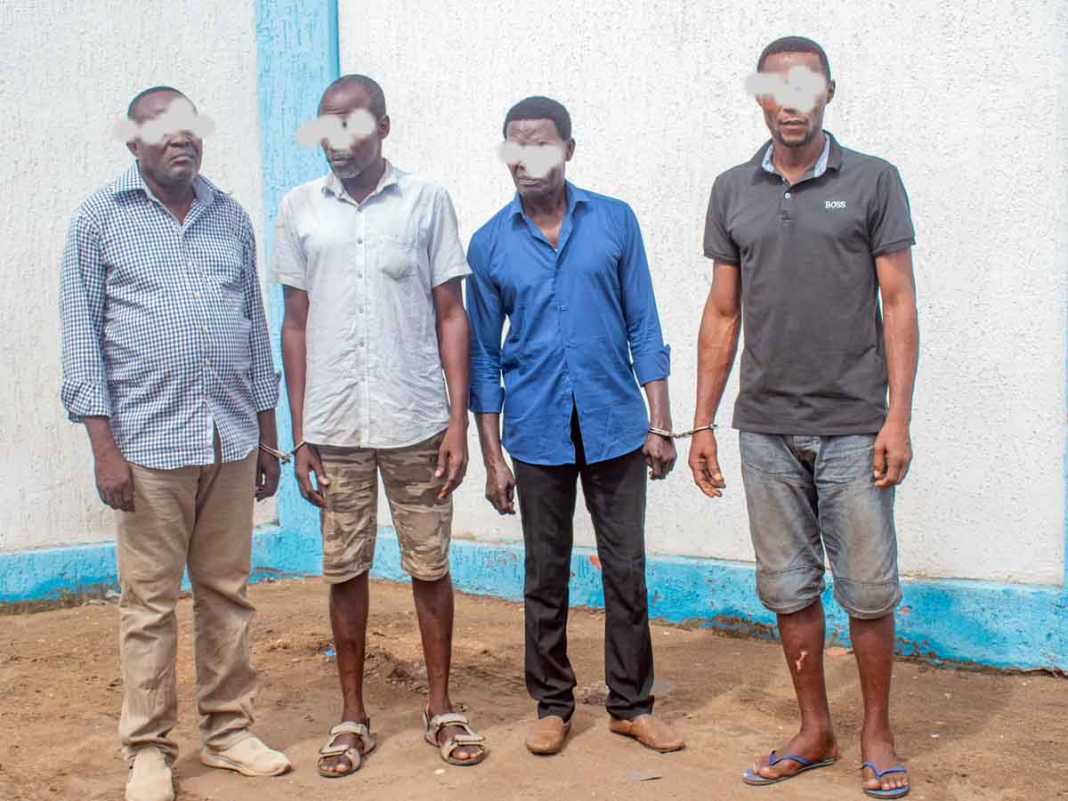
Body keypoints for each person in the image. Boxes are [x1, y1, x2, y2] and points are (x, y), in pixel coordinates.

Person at [690, 36, 919, 798]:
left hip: (856, 423)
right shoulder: (732, 190)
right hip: (764, 428)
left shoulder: (873, 180)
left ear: (828, 93)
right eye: (775, 87)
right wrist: (702, 422)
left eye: (805, 87)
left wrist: (899, 418)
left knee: (869, 588)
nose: (789, 102)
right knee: (788, 586)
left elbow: (899, 304)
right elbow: (722, 313)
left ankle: (876, 733)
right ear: (759, 94)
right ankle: (814, 727)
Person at [60, 86, 291, 801]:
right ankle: (150, 749)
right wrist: (104, 449)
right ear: (134, 142)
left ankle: (227, 731)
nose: (181, 141)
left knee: (227, 591)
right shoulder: (100, 220)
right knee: (150, 602)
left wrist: (267, 438)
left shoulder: (230, 218)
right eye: (163, 131)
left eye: (191, 128)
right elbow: (80, 342)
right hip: (146, 447)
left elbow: (253, 330)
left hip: (228, 437)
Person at [272, 74, 486, 777]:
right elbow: (295, 326)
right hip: (334, 425)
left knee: (430, 565)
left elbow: (452, 314)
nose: (339, 140)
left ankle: (443, 705)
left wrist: (457, 421)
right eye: (326, 126)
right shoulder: (300, 208)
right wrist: (300, 432)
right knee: (345, 569)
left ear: (384, 127)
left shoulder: (425, 202)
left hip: (417, 418)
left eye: (353, 124)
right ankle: (351, 714)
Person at [467, 95, 684, 757]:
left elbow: (644, 324)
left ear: (568, 148)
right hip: (534, 431)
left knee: (626, 568)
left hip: (616, 425)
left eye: (539, 142)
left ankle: (631, 703)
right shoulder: (489, 242)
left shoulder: (614, 222)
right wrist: (492, 456)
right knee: (545, 573)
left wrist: (661, 421)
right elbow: (482, 354)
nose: (526, 157)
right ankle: (553, 703)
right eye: (514, 145)